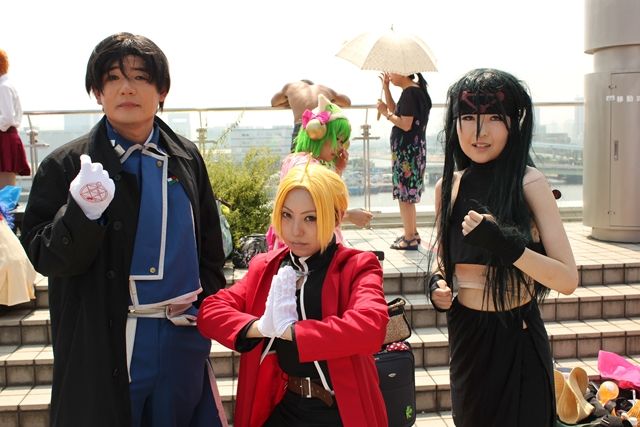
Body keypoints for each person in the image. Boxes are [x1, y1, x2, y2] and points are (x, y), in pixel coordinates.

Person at [20, 33, 228, 427]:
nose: (127, 88)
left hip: (181, 334)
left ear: (161, 90)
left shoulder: (186, 156)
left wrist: (204, 312)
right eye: (113, 78)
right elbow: (45, 256)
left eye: (141, 77)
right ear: (97, 92)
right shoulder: (65, 165)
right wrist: (82, 212)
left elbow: (209, 247)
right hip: (109, 341)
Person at [427, 68, 578, 427]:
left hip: (517, 336)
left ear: (514, 123)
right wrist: (436, 283)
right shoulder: (448, 187)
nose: (479, 132)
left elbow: (567, 279)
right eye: (468, 117)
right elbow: (443, 258)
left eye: (494, 117)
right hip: (467, 338)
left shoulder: (529, 183)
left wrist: (506, 245)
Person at [197, 163, 389, 427]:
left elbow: (371, 327)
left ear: (336, 218)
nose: (295, 230)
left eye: (311, 218)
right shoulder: (267, 267)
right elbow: (210, 311)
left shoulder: (356, 266)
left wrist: (291, 332)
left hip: (342, 411)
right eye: (287, 215)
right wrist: (261, 327)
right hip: (286, 405)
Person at [266, 94, 373, 250]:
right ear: (318, 133)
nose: (340, 147)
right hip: (308, 248)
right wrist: (349, 215)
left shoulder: (297, 160)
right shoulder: (306, 168)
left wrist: (337, 170)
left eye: (343, 142)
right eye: (338, 139)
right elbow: (312, 211)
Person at [377, 72, 432, 250]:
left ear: (403, 71)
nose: (389, 74)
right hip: (413, 150)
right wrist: (386, 88)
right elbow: (397, 111)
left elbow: (405, 124)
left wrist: (385, 113)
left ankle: (409, 239)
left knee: (405, 195)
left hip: (407, 152)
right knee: (407, 194)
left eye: (392, 70)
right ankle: (412, 233)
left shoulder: (410, 93)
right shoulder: (416, 91)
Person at [271, 79, 351, 151]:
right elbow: (347, 102)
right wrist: (329, 102)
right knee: (323, 161)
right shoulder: (324, 88)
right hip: (323, 125)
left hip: (302, 125)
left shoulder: (291, 86)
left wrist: (289, 102)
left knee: (298, 159)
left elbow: (274, 102)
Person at [0, 49, 31, 189]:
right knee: (6, 187)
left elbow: (7, 118)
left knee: (4, 189)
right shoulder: (6, 85)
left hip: (5, 137)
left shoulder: (3, 87)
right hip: (7, 136)